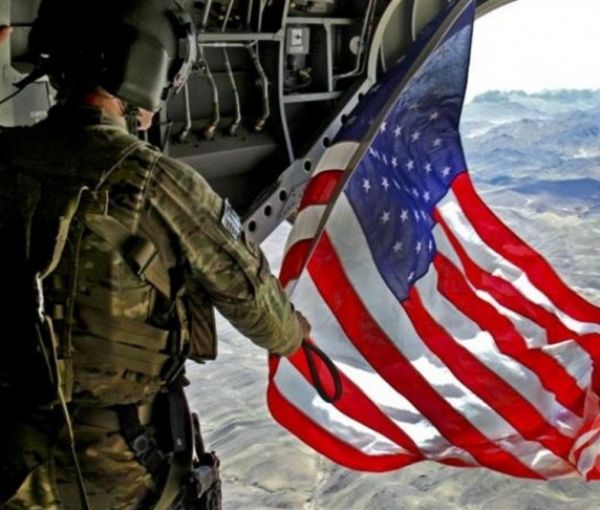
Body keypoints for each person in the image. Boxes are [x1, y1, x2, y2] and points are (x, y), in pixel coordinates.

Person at [0, 1, 309, 509]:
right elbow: (262, 312)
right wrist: (296, 335)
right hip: (115, 470)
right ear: (142, 67)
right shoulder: (160, 183)